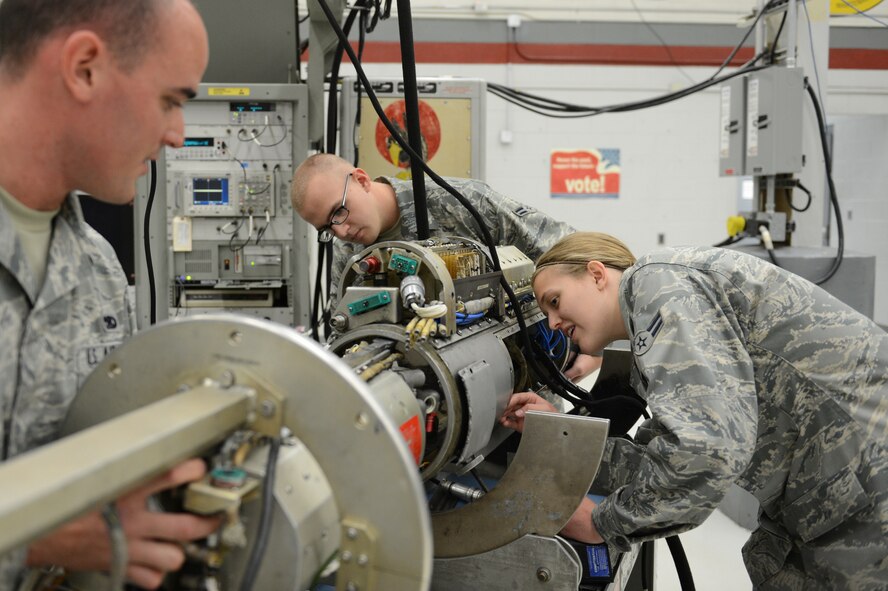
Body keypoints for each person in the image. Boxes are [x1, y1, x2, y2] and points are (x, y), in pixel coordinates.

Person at [500, 232, 888, 589]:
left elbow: (705, 451)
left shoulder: (655, 284)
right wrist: (556, 435)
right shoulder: (653, 327)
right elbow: (663, 457)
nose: (552, 322)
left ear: (597, 274)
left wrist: (602, 524)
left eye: (554, 301)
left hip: (867, 484)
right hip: (835, 490)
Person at [0, 0, 220, 588]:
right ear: (85, 67)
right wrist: (31, 536)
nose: (177, 135)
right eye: (170, 101)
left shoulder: (97, 267)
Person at [291, 152, 600, 381]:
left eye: (339, 212)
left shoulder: (457, 202)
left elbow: (567, 250)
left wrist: (591, 348)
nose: (341, 231)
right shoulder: (351, 256)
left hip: (518, 376)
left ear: (361, 180)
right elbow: (344, 331)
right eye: (327, 227)